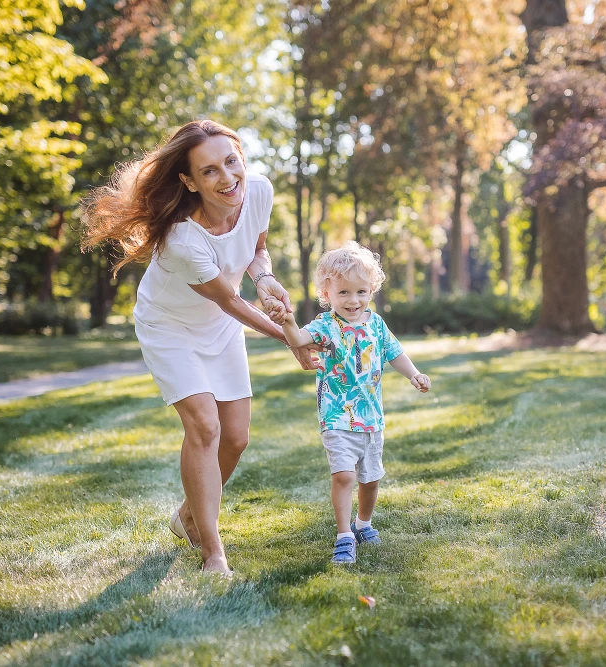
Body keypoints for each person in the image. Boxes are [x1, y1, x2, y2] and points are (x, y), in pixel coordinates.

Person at [81, 119, 319, 574]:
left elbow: (256, 250)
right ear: (189, 182)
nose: (227, 178)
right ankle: (213, 552)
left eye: (231, 162)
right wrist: (293, 336)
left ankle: (187, 515)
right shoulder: (182, 238)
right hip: (169, 326)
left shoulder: (259, 191)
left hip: (219, 326)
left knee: (236, 438)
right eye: (210, 171)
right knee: (205, 427)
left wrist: (265, 279)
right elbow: (230, 301)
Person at [267, 241, 431, 564]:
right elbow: (297, 339)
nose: (353, 300)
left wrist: (414, 374)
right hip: (336, 416)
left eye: (361, 292)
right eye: (343, 292)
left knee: (371, 479)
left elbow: (395, 353)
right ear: (326, 294)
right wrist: (286, 319)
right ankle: (344, 536)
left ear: (371, 291)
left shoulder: (376, 324)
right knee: (344, 476)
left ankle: (363, 524)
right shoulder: (326, 325)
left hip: (371, 418)